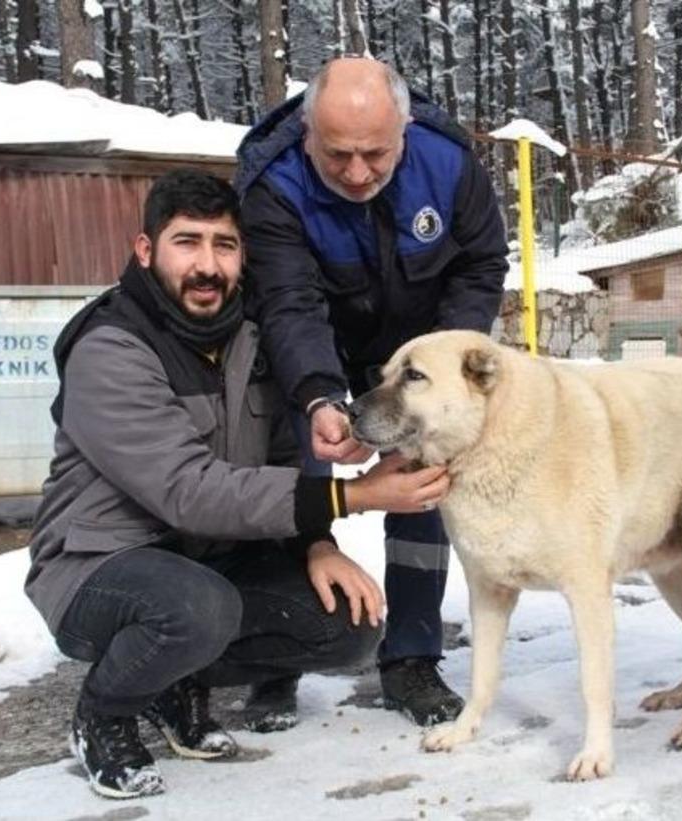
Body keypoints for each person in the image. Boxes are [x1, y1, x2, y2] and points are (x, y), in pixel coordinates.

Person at [24, 169, 449, 799]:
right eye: (186, 242)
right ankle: (104, 715)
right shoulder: (111, 347)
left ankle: (172, 685)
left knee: (346, 625)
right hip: (97, 565)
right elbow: (188, 491)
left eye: (224, 245)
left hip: (208, 559)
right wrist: (355, 495)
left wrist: (317, 544)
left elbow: (282, 454)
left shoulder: (250, 337)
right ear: (146, 251)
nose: (207, 265)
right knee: (195, 608)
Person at [235, 57, 510, 727]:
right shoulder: (274, 186)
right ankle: (280, 654)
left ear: (405, 129)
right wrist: (321, 395)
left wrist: (440, 362)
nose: (357, 173)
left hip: (417, 347)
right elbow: (290, 302)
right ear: (307, 136)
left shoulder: (450, 167)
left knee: (422, 475)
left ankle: (411, 655)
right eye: (337, 156)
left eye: (375, 154)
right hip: (311, 348)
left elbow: (481, 264)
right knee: (294, 474)